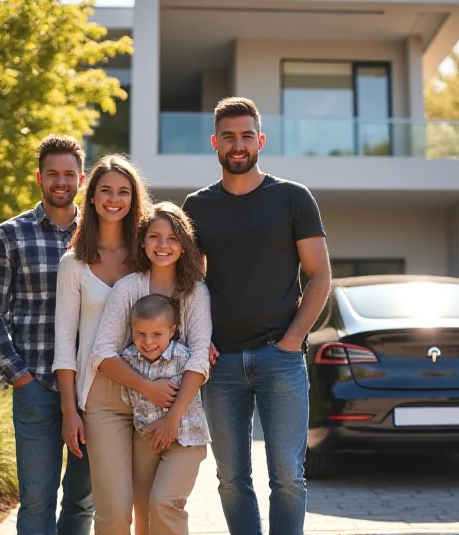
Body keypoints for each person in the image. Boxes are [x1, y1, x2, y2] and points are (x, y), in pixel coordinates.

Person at [182, 97, 332, 535]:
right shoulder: (198, 206)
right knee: (231, 478)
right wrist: (196, 339)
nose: (238, 144)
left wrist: (292, 340)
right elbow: (189, 282)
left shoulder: (292, 198)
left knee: (288, 476)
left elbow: (320, 275)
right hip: (220, 362)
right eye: (228, 136)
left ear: (260, 140)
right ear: (215, 142)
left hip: (280, 359)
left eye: (247, 135)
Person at [0, 134, 93, 535]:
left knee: (82, 502)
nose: (60, 182)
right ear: (39, 178)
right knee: (36, 500)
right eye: (52, 174)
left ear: (81, 179)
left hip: (92, 389)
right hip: (36, 387)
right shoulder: (9, 235)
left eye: (68, 174)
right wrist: (19, 376)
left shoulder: (101, 234)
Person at [87, 202, 212, 535]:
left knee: (164, 503)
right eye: (154, 237)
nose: (162, 245)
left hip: (181, 420)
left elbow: (200, 355)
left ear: (184, 244)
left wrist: (172, 417)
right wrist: (149, 389)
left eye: (172, 238)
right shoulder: (129, 287)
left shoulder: (195, 291)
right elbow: (103, 352)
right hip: (140, 417)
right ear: (142, 242)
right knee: (141, 513)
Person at [52, 154, 150, 494]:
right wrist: (69, 411)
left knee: (147, 498)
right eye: (105, 190)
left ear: (133, 199)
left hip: (150, 388)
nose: (113, 199)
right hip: (96, 393)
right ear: (91, 197)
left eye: (123, 192)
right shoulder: (73, 263)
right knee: (105, 501)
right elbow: (65, 344)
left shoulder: (148, 255)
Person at [120, 293, 210, 535]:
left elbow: (202, 366)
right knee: (143, 513)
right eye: (140, 334)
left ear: (172, 331)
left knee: (164, 503)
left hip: (186, 439)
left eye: (157, 334)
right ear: (132, 331)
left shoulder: (185, 357)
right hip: (146, 439)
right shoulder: (127, 360)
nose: (148, 342)